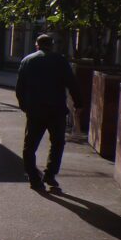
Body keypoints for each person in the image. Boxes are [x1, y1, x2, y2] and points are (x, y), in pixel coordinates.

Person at [15, 33, 84, 193]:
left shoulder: (27, 61)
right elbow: (72, 84)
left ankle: (34, 179)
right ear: (52, 45)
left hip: (35, 110)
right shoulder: (60, 61)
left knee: (30, 146)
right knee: (58, 143)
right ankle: (50, 174)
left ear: (37, 45)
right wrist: (79, 103)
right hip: (56, 110)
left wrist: (24, 106)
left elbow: (20, 88)